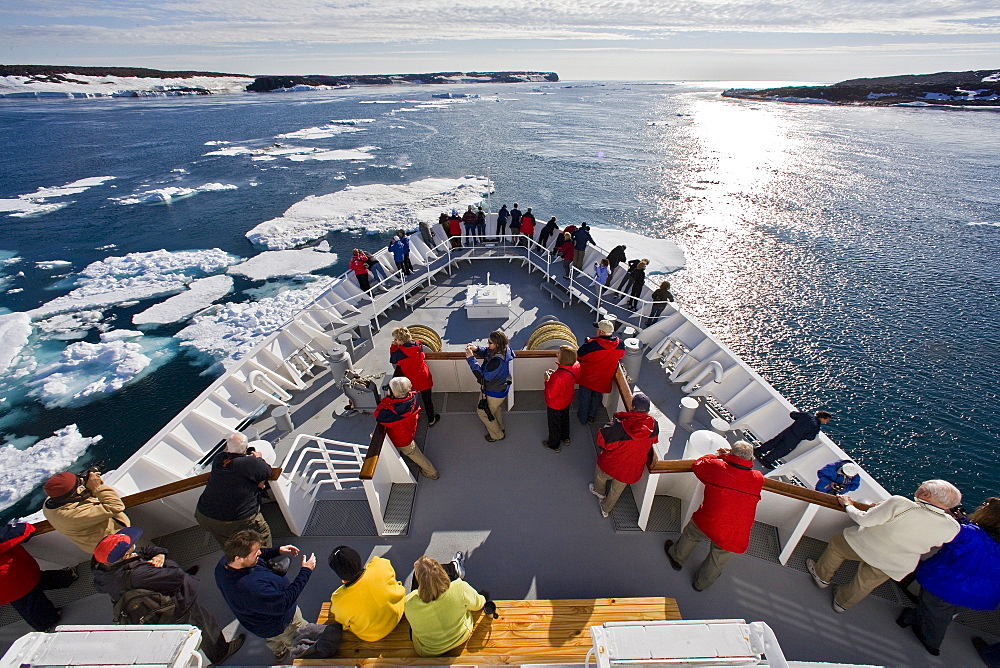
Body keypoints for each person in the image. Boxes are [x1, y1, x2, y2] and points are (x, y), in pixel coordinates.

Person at [806, 480, 961, 613]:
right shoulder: (953, 527)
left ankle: (821, 576)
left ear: (926, 495)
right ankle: (841, 603)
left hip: (865, 545)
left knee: (837, 546)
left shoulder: (900, 503)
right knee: (865, 582)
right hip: (896, 563)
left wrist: (848, 505)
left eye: (922, 486)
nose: (919, 487)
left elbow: (864, 520)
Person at [93, 527, 244, 664]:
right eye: (131, 545)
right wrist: (167, 562)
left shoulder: (101, 567)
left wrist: (159, 555)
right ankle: (221, 653)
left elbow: (142, 551)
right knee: (204, 623)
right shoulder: (138, 575)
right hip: (173, 607)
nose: (135, 545)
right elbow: (177, 576)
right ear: (126, 555)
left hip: (146, 608)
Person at [896, 496, 1000, 656]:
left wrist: (952, 518)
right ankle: (916, 616)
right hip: (982, 595)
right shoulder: (972, 533)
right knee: (943, 609)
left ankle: (931, 642)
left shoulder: (968, 533)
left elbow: (947, 533)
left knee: (936, 614)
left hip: (947, 586)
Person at [664, 441, 764, 591]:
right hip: (737, 531)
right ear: (751, 460)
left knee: (692, 534)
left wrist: (720, 455)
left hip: (710, 520)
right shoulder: (758, 478)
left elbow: (698, 464)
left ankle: (677, 557)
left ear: (731, 453)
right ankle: (700, 584)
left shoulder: (719, 468)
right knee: (718, 559)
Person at [216, 529, 316, 663]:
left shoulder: (223, 564)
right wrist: (306, 571)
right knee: (300, 640)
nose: (259, 553)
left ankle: (279, 652)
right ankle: (307, 656)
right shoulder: (251, 587)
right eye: (255, 552)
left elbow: (260, 555)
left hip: (260, 626)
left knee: (272, 640)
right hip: (284, 624)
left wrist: (277, 551)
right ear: (238, 558)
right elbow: (283, 603)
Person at [195, 432, 273, 548]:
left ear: (226, 447)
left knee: (232, 545)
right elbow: (267, 471)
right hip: (237, 519)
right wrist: (259, 458)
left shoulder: (219, 459)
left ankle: (237, 561)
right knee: (261, 535)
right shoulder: (251, 463)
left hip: (205, 516)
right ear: (246, 448)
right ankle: (267, 562)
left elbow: (234, 475)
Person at [588, 393, 659, 517]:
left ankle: (599, 492)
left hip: (613, 463)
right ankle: (606, 509)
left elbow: (603, 442)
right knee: (616, 490)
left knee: (600, 475)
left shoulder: (621, 426)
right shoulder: (654, 426)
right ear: (648, 410)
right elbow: (654, 441)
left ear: (633, 407)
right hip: (632, 467)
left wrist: (608, 426)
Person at [0, 521, 78, 632]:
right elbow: (24, 531)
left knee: (34, 585)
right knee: (30, 602)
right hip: (13, 580)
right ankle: (48, 623)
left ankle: (67, 578)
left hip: (10, 584)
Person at [404, 556, 486, 657]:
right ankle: (454, 567)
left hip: (427, 650)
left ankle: (452, 567)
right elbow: (479, 604)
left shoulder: (409, 603)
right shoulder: (460, 588)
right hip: (460, 636)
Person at [42, 469, 130, 555]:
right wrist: (97, 487)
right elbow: (115, 506)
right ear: (72, 494)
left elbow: (77, 497)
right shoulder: (71, 516)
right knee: (128, 559)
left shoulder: (53, 500)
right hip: (111, 544)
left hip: (98, 544)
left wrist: (88, 487)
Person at [327, 545, 405, 642]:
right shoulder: (381, 564)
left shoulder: (338, 599)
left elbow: (341, 621)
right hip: (398, 612)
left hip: (372, 636)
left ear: (342, 579)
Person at [374, 377, 439, 479]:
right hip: (410, 428)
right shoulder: (413, 396)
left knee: (413, 452)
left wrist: (387, 399)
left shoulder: (393, 413)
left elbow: (378, 415)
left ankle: (431, 472)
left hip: (402, 438)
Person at [465, 330, 514, 442]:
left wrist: (471, 359)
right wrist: (477, 349)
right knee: (495, 409)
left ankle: (497, 435)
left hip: (493, 392)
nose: (488, 344)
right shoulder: (504, 350)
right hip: (501, 389)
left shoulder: (496, 362)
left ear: (497, 344)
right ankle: (500, 427)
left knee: (483, 412)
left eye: (490, 342)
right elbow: (487, 352)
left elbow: (482, 378)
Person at [576, 320, 626, 425]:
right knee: (596, 397)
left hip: (588, 378)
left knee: (585, 398)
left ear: (602, 332)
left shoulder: (591, 345)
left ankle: (582, 418)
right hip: (603, 379)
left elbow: (579, 356)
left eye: (598, 329)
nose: (596, 330)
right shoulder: (620, 345)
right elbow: (620, 356)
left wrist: (586, 343)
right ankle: (591, 417)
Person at [389, 326, 440, 426]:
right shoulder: (418, 344)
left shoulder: (398, 353)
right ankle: (431, 420)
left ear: (399, 340)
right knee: (427, 400)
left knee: (413, 401)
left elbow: (393, 360)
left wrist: (394, 346)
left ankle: (417, 418)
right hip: (424, 377)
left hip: (411, 381)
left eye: (395, 339)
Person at [754, 410, 832, 468]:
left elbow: (793, 414)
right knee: (781, 450)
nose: (827, 422)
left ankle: (759, 451)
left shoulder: (807, 415)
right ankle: (766, 460)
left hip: (788, 431)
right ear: (822, 418)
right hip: (795, 438)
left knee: (774, 441)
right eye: (827, 420)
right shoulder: (816, 427)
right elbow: (810, 437)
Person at [542, 346, 579, 452]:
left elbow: (551, 394)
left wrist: (547, 380)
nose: (557, 354)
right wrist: (555, 374)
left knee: (554, 424)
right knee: (565, 419)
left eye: (559, 353)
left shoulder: (558, 377)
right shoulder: (575, 366)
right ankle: (565, 438)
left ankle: (554, 444)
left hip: (555, 404)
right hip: (567, 400)